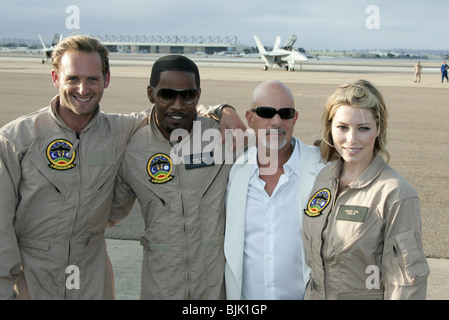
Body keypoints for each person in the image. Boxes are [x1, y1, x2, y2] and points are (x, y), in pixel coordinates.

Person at [0, 35, 149, 299]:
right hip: (33, 276)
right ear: (56, 78)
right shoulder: (16, 140)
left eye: (92, 78)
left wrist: (221, 111)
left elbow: (173, 114)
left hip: (91, 274)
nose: (83, 89)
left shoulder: (121, 130)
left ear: (107, 79)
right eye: (73, 78)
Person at [113, 55, 246, 299]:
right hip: (161, 289)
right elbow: (107, 211)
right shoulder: (132, 149)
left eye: (188, 95)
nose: (178, 105)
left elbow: (274, 156)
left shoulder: (224, 137)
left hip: (215, 292)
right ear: (151, 94)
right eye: (166, 94)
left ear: (198, 95)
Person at [302, 79, 430, 300]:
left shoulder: (395, 194)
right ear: (330, 127)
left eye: (363, 128)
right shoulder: (323, 178)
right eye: (342, 127)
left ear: (378, 129)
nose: (351, 139)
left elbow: (406, 285)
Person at [224, 80, 326, 300]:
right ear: (250, 118)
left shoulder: (323, 169)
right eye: (266, 112)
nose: (277, 121)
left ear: (295, 118)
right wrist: (222, 109)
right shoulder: (235, 172)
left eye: (285, 113)